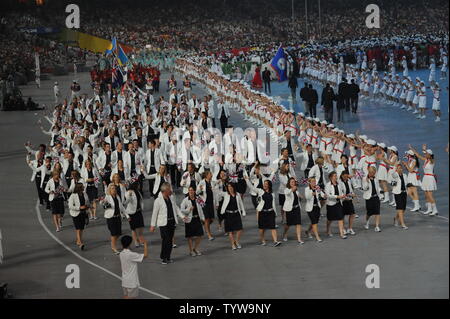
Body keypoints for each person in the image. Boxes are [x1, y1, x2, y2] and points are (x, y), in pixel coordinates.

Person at [244, 174, 281, 247]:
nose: (265, 185)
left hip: (270, 212)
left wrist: (275, 213)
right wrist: (247, 180)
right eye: (264, 184)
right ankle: (262, 240)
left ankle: (275, 241)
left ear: (269, 185)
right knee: (262, 229)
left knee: (273, 227)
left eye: (266, 184)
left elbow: (273, 204)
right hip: (262, 213)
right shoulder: (260, 191)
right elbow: (251, 187)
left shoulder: (272, 194)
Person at [150, 182, 181, 264]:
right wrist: (152, 225)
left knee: (170, 240)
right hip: (163, 224)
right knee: (166, 240)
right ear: (165, 190)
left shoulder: (171, 198)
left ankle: (168, 257)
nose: (171, 190)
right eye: (169, 189)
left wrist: (182, 216)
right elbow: (154, 213)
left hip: (171, 222)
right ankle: (163, 258)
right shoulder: (158, 200)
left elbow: (176, 208)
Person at [409, 145, 438, 216]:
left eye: (427, 154)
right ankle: (429, 209)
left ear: (430, 155)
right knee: (426, 194)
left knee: (430, 195)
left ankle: (435, 209)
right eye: (425, 154)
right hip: (425, 178)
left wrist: (424, 150)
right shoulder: (426, 160)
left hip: (430, 178)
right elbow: (418, 155)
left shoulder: (432, 161)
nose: (425, 155)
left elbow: (429, 157)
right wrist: (412, 148)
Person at [119, 235, 148, 299]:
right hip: (132, 282)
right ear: (129, 244)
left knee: (126, 296)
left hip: (125, 281)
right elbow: (145, 255)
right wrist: (145, 244)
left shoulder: (121, 253)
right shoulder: (131, 254)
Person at [219, 183, 246, 250]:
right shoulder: (226, 194)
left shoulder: (237, 194)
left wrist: (243, 211)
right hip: (228, 214)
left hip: (236, 213)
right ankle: (232, 244)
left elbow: (241, 203)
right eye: (228, 187)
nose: (230, 188)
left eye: (231, 187)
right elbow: (217, 192)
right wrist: (216, 185)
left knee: (239, 229)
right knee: (230, 231)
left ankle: (236, 241)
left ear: (233, 187)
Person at [103, 184, 128, 254]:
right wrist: (105, 203)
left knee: (118, 233)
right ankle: (114, 248)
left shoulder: (117, 196)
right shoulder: (107, 197)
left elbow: (122, 207)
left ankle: (112, 243)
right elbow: (103, 204)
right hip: (111, 218)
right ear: (109, 190)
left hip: (118, 217)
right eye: (112, 188)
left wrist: (127, 215)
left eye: (114, 188)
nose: (114, 190)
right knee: (113, 234)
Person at [180, 186, 205, 256]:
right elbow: (181, 210)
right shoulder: (185, 200)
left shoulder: (198, 198)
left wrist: (203, 218)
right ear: (188, 191)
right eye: (189, 190)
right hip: (189, 220)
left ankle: (195, 248)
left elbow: (203, 207)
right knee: (190, 236)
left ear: (194, 191)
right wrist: (189, 209)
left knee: (200, 235)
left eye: (192, 190)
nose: (191, 192)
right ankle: (191, 251)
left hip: (197, 218)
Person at [325, 172, 347, 239]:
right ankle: (328, 229)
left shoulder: (339, 184)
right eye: (334, 176)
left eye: (336, 176)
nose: (336, 177)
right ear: (331, 177)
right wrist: (337, 196)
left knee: (340, 218)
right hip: (331, 204)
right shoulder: (328, 185)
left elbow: (342, 191)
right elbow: (328, 195)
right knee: (330, 219)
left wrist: (343, 196)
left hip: (338, 204)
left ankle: (341, 234)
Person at [282, 177, 304, 244]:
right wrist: (292, 189)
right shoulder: (286, 189)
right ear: (289, 183)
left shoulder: (296, 190)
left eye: (294, 182)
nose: (293, 183)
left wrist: (300, 196)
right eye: (291, 182)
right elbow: (288, 193)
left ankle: (299, 239)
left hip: (296, 208)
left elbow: (298, 198)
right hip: (289, 209)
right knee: (288, 224)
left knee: (298, 224)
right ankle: (285, 234)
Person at [124, 182, 145, 248]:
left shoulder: (138, 192)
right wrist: (129, 196)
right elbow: (125, 203)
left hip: (138, 211)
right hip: (131, 213)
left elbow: (141, 200)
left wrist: (142, 207)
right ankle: (136, 241)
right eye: (138, 185)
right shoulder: (128, 192)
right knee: (133, 228)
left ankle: (141, 240)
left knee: (141, 226)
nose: (139, 186)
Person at [68, 183, 89, 250]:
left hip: (83, 213)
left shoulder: (84, 194)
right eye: (82, 187)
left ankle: (78, 240)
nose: (83, 187)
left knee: (82, 228)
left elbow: (87, 202)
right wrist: (79, 207)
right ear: (79, 188)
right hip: (76, 214)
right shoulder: (73, 196)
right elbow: (70, 206)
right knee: (78, 228)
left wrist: (88, 206)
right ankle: (80, 242)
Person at [304, 177, 325, 242]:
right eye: (313, 181)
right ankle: (317, 237)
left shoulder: (317, 188)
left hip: (317, 207)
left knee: (314, 221)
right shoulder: (307, 189)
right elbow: (307, 197)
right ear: (309, 182)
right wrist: (312, 194)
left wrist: (324, 195)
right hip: (310, 208)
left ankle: (307, 231)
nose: (314, 182)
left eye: (315, 181)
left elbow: (322, 195)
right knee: (314, 222)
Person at [362, 167, 382, 232]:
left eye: (373, 172)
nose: (371, 174)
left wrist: (381, 192)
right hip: (369, 198)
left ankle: (377, 226)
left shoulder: (376, 179)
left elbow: (378, 187)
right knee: (369, 213)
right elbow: (364, 188)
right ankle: (367, 222)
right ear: (368, 171)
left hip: (376, 197)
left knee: (377, 212)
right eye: (370, 172)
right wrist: (367, 182)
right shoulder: (364, 178)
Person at [391, 164, 409, 230]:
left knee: (403, 209)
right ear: (396, 169)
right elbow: (392, 173)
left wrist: (408, 191)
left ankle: (396, 218)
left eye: (401, 168)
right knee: (400, 208)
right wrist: (394, 166)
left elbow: (407, 184)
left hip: (404, 193)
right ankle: (402, 224)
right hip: (397, 193)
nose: (400, 169)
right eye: (398, 168)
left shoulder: (405, 175)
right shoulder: (395, 175)